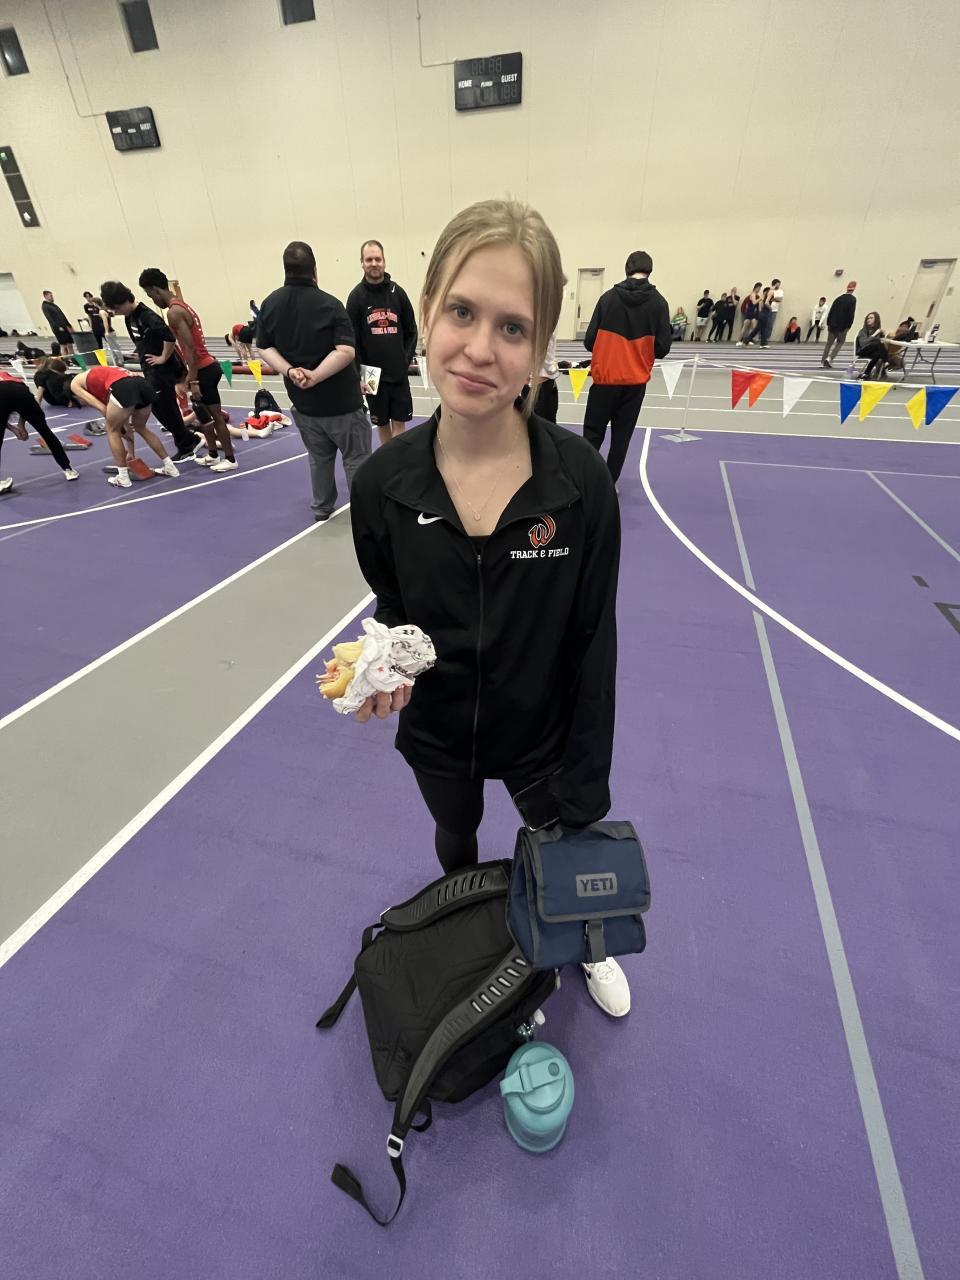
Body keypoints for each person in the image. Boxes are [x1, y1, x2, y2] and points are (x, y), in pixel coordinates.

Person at [350, 197, 629, 1018]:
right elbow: (396, 605)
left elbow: (594, 642)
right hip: (441, 728)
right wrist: (387, 663)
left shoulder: (579, 485)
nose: (479, 349)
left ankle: (585, 938)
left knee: (558, 847)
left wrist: (587, 786)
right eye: (463, 312)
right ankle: (472, 932)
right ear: (426, 310)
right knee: (457, 838)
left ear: (540, 351)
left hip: (542, 735)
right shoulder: (382, 485)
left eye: (513, 328)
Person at [256, 240, 370, 522]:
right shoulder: (330, 305)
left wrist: (291, 371)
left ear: (285, 269)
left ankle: (321, 507)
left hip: (304, 404)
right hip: (342, 404)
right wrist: (316, 375)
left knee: (319, 458)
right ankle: (365, 512)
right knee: (355, 458)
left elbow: (264, 347)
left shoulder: (270, 304)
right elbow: (345, 351)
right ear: (314, 270)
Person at [582, 249, 671, 487]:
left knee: (592, 435)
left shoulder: (607, 299)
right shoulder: (659, 304)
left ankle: (584, 482)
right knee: (621, 438)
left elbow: (589, 341)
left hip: (605, 380)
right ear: (649, 271)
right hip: (634, 384)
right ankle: (609, 484)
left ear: (626, 269)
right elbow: (663, 348)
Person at [139, 268, 238, 472]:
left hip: (204, 369)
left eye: (150, 295)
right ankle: (213, 455)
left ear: (156, 290)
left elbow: (191, 349)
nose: (152, 300)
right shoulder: (181, 305)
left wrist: (192, 380)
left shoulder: (174, 312)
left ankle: (230, 459)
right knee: (202, 415)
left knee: (215, 416)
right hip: (200, 368)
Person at [99, 281, 203, 462]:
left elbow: (169, 337)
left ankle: (187, 444)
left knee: (166, 409)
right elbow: (143, 340)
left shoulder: (146, 316)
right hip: (151, 370)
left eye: (117, 308)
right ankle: (188, 439)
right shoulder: (130, 317)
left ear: (124, 301)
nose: (116, 312)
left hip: (161, 371)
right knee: (160, 409)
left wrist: (162, 357)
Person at [346, 240, 419, 447]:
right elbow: (351, 341)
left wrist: (404, 361)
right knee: (382, 423)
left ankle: (397, 460)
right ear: (362, 263)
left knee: (400, 421)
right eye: (369, 259)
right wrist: (358, 374)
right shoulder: (356, 298)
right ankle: (388, 461)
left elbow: (412, 331)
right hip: (370, 374)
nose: (374, 263)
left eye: (377, 259)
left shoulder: (398, 293)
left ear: (384, 261)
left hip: (398, 371)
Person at [70, 364, 180, 488]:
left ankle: (123, 477)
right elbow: (125, 421)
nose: (84, 404)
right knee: (140, 427)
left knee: (112, 430)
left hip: (124, 386)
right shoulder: (98, 377)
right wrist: (131, 453)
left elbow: (103, 409)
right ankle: (170, 467)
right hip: (141, 384)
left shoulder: (74, 384)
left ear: (75, 396)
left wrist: (116, 426)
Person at [0, 379, 79, 494]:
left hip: (11, 393)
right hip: (20, 392)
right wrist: (20, 426)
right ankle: (68, 469)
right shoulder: (12, 381)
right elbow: (26, 402)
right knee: (45, 432)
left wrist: (16, 429)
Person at [821, 281, 857, 369]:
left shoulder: (838, 298)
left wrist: (828, 323)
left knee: (829, 343)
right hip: (842, 327)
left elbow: (831, 311)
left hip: (832, 325)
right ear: (854, 289)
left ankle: (823, 360)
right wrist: (849, 326)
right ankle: (829, 358)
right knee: (840, 342)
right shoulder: (852, 300)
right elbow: (850, 314)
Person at [855, 312, 888, 381]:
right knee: (878, 345)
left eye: (871, 318)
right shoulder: (863, 331)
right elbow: (863, 343)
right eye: (868, 318)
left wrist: (883, 335)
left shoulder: (876, 330)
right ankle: (886, 362)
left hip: (872, 350)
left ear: (876, 320)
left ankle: (866, 373)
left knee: (877, 354)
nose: (868, 320)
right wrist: (874, 334)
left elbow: (879, 341)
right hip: (863, 350)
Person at [40, 291, 74, 356]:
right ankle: (66, 359)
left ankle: (73, 358)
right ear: (45, 296)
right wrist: (57, 327)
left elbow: (62, 316)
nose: (52, 297)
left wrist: (69, 325)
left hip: (64, 326)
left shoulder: (54, 305)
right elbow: (49, 318)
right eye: (50, 296)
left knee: (70, 344)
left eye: (52, 295)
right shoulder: (45, 306)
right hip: (58, 328)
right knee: (63, 345)